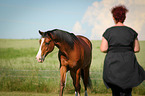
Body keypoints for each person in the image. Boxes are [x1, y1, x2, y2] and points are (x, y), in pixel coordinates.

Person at [100, 5, 145, 96]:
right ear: (124, 17)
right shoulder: (131, 32)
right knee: (128, 92)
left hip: (112, 66)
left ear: (113, 17)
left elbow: (103, 48)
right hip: (128, 64)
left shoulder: (108, 32)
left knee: (115, 92)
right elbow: (136, 49)